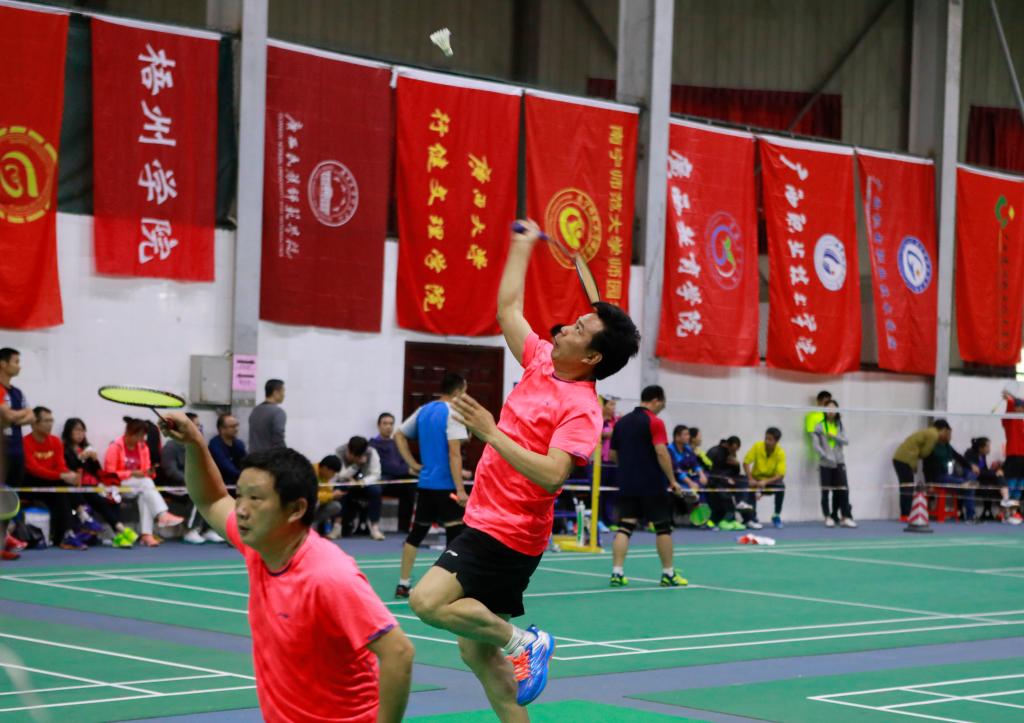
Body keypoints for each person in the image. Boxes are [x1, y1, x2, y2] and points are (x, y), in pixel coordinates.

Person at [407, 219, 640, 717]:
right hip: (485, 519)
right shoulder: (540, 362)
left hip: (508, 533)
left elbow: (554, 474)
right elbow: (508, 310)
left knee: (426, 601)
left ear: (592, 356)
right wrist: (520, 246)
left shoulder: (582, 408)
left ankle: (526, 642)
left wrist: (492, 433)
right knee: (475, 653)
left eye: (579, 329)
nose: (566, 328)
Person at [158, 411, 414, 722]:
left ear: (296, 510)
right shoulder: (261, 547)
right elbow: (211, 499)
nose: (241, 509)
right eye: (240, 495)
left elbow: (399, 652)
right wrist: (194, 443)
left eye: (255, 498)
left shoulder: (329, 575)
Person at [393, 372, 470, 599]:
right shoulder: (453, 413)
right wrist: (460, 489)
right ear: (458, 390)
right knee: (454, 537)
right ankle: (448, 589)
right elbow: (454, 453)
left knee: (416, 534)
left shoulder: (423, 411)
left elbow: (399, 435)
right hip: (446, 486)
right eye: (465, 391)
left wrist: (413, 464)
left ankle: (403, 584)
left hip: (426, 484)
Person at [610, 385, 689, 584]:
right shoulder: (655, 422)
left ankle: (617, 573)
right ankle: (668, 574)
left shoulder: (621, 423)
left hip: (628, 484)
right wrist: (672, 480)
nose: (662, 408)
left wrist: (629, 469)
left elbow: (612, 455)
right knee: (663, 528)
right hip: (652, 484)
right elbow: (661, 452)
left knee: (625, 527)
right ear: (656, 400)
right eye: (662, 404)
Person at [104, 417, 184, 546]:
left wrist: (150, 472)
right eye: (139, 435)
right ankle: (162, 514)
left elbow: (146, 470)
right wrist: (131, 473)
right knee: (145, 484)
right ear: (129, 433)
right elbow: (109, 473)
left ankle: (146, 535)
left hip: (138, 485)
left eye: (143, 435)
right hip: (117, 485)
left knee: (145, 495)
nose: (142, 439)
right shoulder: (115, 447)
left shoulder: (143, 447)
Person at [61, 417, 136, 548]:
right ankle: (120, 529)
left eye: (82, 430)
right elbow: (70, 470)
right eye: (77, 430)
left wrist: (94, 460)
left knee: (113, 499)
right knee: (99, 500)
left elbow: (97, 472)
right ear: (69, 431)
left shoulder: (87, 449)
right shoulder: (64, 450)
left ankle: (118, 534)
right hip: (77, 487)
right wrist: (81, 459)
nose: (80, 434)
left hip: (93, 485)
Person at [22, 406, 90, 550]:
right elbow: (34, 469)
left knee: (62, 492)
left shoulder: (55, 441)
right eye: (46, 421)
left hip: (52, 484)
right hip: (31, 485)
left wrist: (69, 475)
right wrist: (61, 475)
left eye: (51, 420)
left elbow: (60, 465)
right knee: (61, 485)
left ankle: (67, 534)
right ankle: (82, 514)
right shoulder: (25, 442)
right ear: (34, 424)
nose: (50, 424)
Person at [165, 413, 224, 545]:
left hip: (193, 484)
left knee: (213, 492)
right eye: (197, 425)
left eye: (199, 426)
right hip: (176, 487)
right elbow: (170, 471)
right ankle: (190, 530)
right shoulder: (171, 446)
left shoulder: (197, 446)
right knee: (198, 492)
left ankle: (207, 529)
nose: (199, 428)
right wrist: (191, 481)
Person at [893, 419, 958, 520]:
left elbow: (915, 448)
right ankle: (905, 515)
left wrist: (914, 464)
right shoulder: (934, 435)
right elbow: (925, 453)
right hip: (904, 460)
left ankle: (905, 514)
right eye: (947, 433)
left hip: (901, 458)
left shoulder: (928, 432)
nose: (948, 436)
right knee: (907, 488)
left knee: (906, 487)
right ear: (944, 430)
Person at [812, 400, 856, 528]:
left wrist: (834, 436)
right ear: (825, 411)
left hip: (839, 462)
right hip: (825, 464)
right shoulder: (819, 426)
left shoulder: (840, 426)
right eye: (828, 408)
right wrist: (824, 456)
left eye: (833, 408)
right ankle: (827, 517)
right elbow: (816, 445)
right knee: (825, 491)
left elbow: (846, 441)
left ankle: (845, 517)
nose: (831, 411)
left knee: (843, 490)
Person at [370, 412, 415, 534]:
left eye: (391, 424)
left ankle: (406, 527)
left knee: (412, 486)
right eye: (385, 423)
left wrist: (407, 469)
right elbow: (383, 466)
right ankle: (374, 526)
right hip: (383, 479)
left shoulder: (397, 443)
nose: (388, 426)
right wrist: (405, 470)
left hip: (398, 479)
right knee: (375, 490)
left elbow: (405, 461)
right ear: (379, 425)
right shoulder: (373, 444)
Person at [336, 436, 385, 540]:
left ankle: (374, 528)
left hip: (365, 483)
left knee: (376, 491)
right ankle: (337, 527)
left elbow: (376, 474)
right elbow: (341, 475)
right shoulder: (340, 451)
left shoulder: (371, 452)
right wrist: (356, 465)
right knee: (339, 488)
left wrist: (361, 482)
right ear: (348, 449)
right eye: (353, 455)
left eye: (358, 456)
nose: (354, 458)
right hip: (346, 483)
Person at [963, 436, 1020, 524]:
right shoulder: (970, 454)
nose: (989, 449)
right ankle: (1006, 502)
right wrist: (994, 473)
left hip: (982, 478)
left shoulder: (982, 455)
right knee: (997, 477)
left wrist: (995, 471)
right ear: (981, 447)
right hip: (972, 479)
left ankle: (1005, 504)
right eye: (988, 446)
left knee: (999, 477)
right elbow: (977, 472)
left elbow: (984, 470)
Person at [742, 427, 787, 529]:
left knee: (781, 487)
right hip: (755, 479)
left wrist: (765, 482)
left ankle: (776, 515)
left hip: (770, 481)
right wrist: (750, 478)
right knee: (747, 487)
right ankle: (751, 518)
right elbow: (746, 462)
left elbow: (780, 474)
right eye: (766, 438)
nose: (767, 441)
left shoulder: (780, 453)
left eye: (770, 439)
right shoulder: (757, 446)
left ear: (776, 441)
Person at [705, 436, 746, 530]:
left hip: (727, 481)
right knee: (724, 500)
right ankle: (717, 522)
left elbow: (735, 472)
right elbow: (710, 471)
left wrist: (737, 465)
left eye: (736, 450)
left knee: (744, 480)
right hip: (715, 482)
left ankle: (741, 503)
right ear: (728, 445)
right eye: (733, 449)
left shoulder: (731, 454)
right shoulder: (715, 452)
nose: (734, 451)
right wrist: (725, 479)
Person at [1002, 390, 1024, 520]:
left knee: (1020, 487)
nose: (1019, 409)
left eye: (1021, 406)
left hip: (1023, 458)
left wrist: (1012, 397)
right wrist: (1009, 400)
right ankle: (1005, 513)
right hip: (1013, 456)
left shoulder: (1022, 421)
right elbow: (1010, 408)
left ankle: (1014, 512)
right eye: (1017, 406)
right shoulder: (1010, 420)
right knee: (1011, 485)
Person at [249, 379, 286, 453]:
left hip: (253, 456)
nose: (284, 395)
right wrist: (285, 454)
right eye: (283, 391)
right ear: (275, 393)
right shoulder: (278, 412)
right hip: (269, 457)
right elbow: (278, 437)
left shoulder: (255, 410)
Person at [209, 413, 247, 487]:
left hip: (237, 483)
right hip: (220, 485)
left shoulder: (239, 444)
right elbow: (226, 467)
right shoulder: (215, 445)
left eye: (237, 425)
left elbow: (246, 463)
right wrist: (245, 476)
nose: (236, 429)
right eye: (232, 426)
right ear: (222, 429)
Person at [313, 454, 345, 538]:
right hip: (305, 504)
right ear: (325, 468)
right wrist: (332, 495)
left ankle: (313, 525)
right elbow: (312, 495)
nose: (333, 475)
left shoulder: (324, 477)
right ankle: (309, 528)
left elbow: (326, 493)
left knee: (336, 506)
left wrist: (333, 494)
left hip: (315, 506)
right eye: (333, 472)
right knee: (315, 502)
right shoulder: (311, 472)